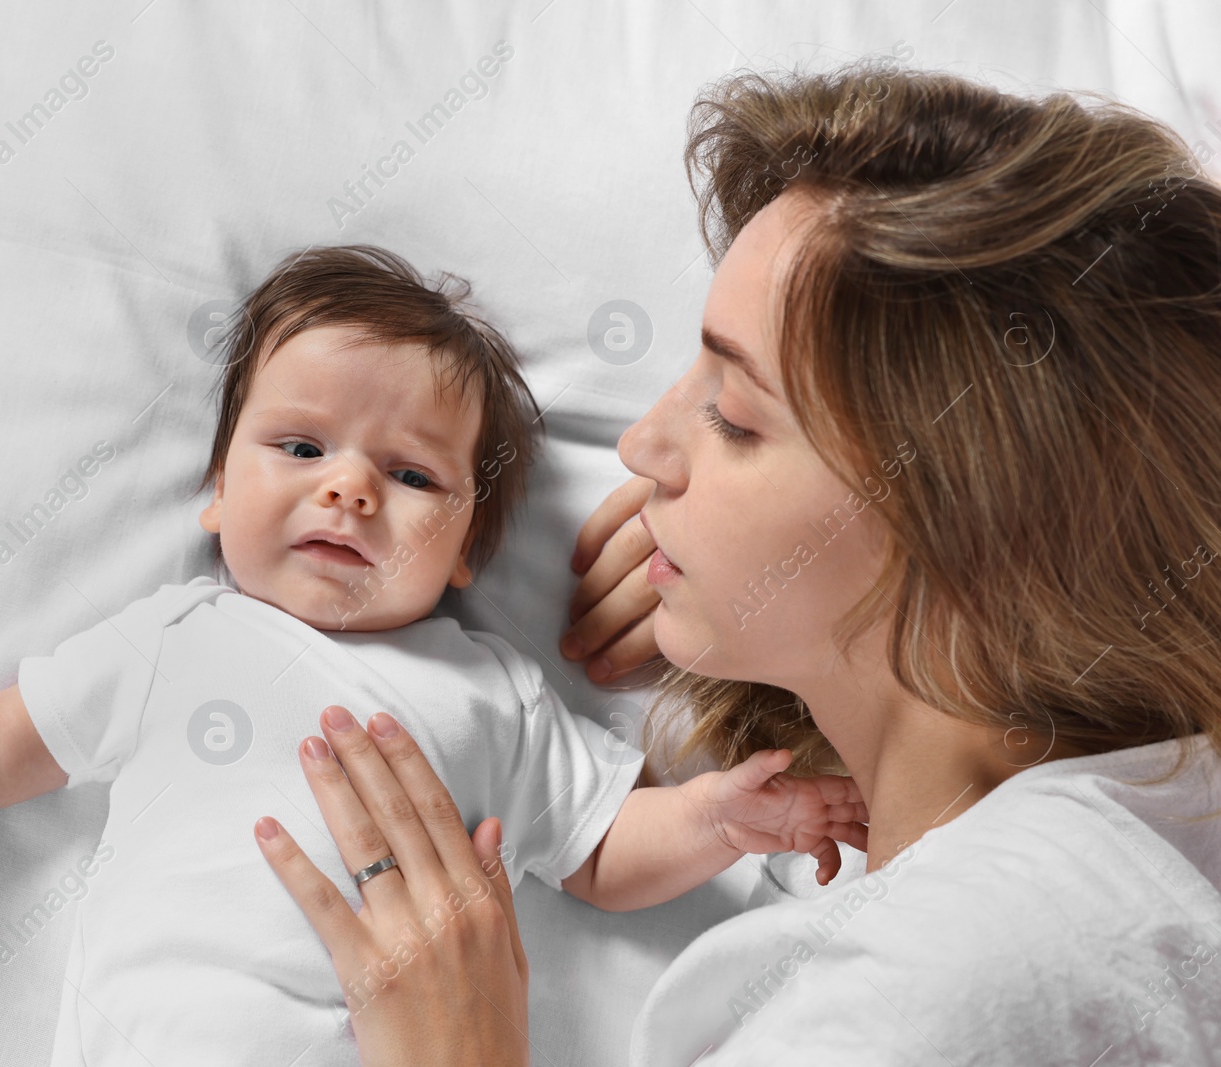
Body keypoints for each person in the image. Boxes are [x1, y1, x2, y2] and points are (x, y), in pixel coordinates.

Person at [253, 62, 1221, 1065]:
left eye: (735, 415)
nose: (642, 445)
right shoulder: (1152, 819)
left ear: (973, 538)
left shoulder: (929, 996)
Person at [0, 245, 866, 1065]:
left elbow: (602, 847)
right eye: (299, 445)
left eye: (411, 476)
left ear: (467, 547)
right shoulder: (172, 638)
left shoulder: (491, 690)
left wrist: (719, 817)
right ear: (215, 492)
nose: (350, 485)